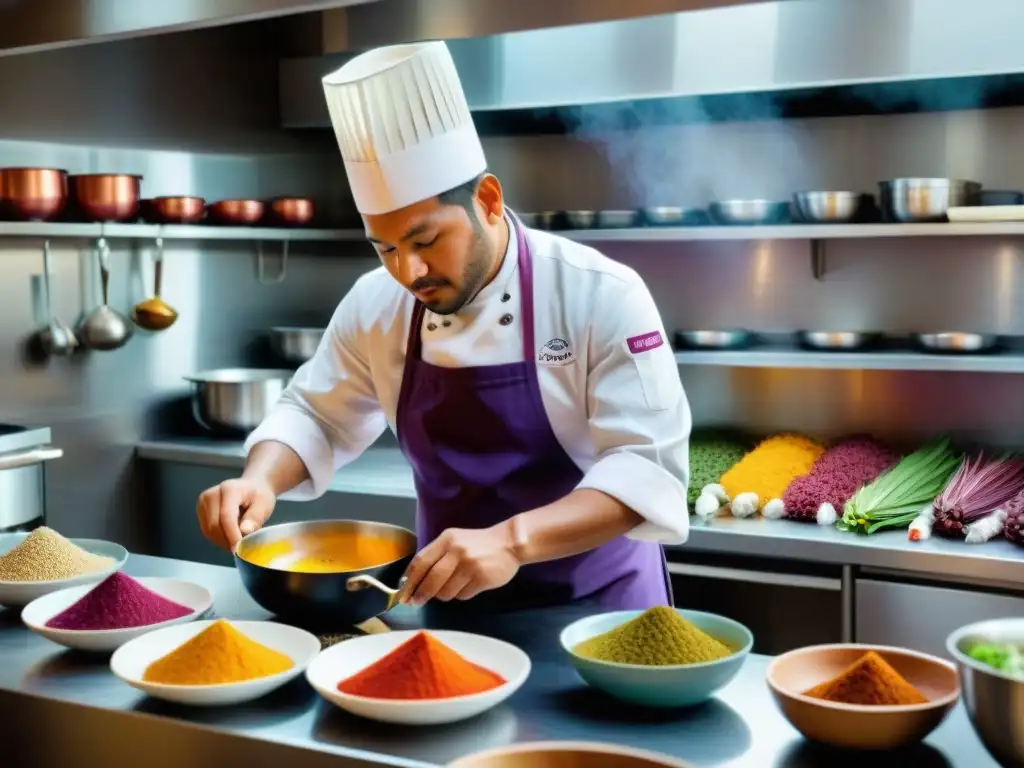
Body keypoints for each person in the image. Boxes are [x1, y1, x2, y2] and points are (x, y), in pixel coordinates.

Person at [196, 40, 692, 611]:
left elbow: (645, 469)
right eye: (384, 247)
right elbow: (315, 413)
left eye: (426, 240)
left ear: (486, 199)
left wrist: (512, 542)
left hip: (598, 612)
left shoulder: (599, 294)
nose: (409, 271)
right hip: (449, 604)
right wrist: (261, 480)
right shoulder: (376, 303)